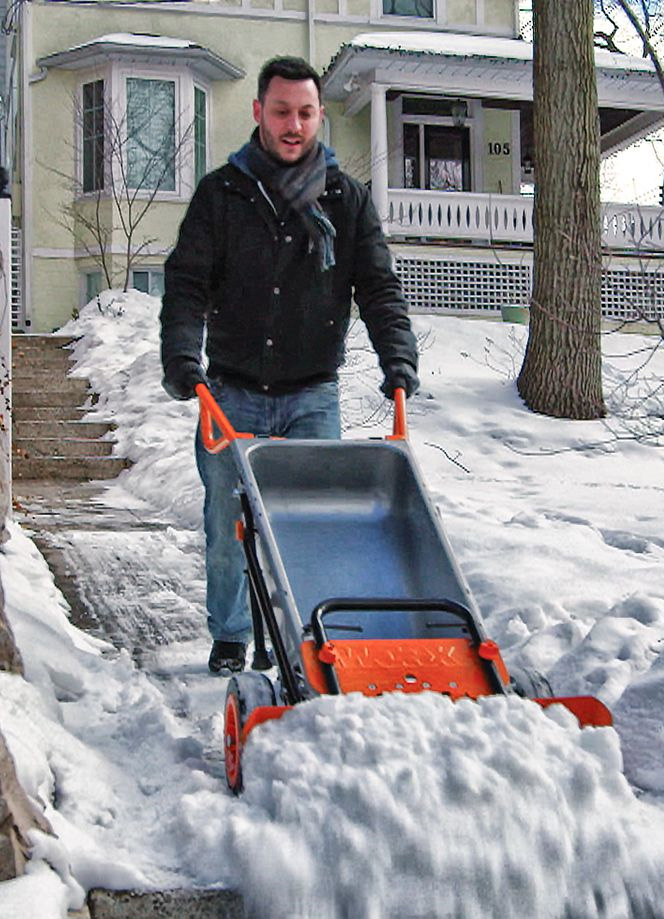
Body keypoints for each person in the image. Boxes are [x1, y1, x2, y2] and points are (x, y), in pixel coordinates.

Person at [160, 56, 419, 675]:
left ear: (319, 116)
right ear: (258, 113)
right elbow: (187, 284)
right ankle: (230, 637)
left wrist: (398, 358)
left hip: (311, 394)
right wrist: (181, 357)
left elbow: (378, 287)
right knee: (228, 524)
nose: (293, 125)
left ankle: (313, 640)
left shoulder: (346, 199)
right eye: (281, 112)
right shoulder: (222, 195)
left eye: (305, 113)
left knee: (313, 525)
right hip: (231, 393)